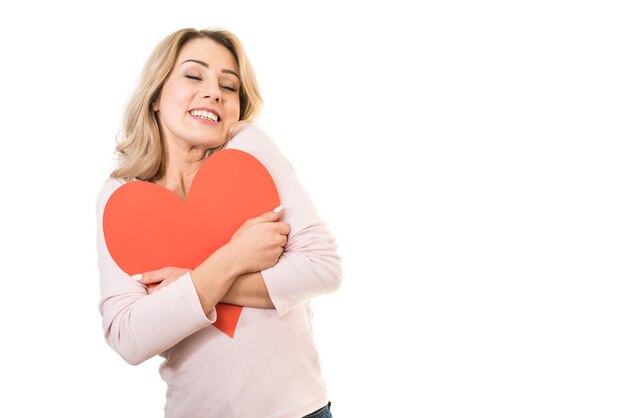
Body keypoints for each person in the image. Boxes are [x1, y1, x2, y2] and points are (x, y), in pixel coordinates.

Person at [95, 27, 341, 418]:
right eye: (194, 76)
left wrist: (188, 285)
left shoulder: (249, 151)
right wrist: (232, 259)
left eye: (230, 87)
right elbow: (128, 336)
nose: (214, 92)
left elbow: (323, 269)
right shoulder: (122, 197)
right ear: (156, 95)